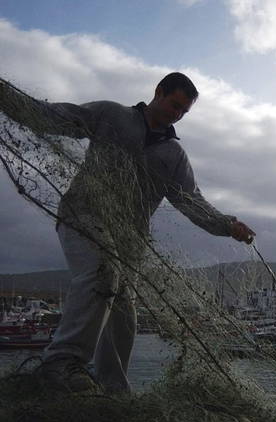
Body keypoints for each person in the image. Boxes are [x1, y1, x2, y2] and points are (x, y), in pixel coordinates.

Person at [1, 73, 255, 393]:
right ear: (158, 92)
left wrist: (227, 225)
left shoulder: (174, 156)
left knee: (123, 314)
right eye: (174, 105)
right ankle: (62, 362)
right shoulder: (111, 115)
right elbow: (53, 118)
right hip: (83, 216)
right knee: (102, 272)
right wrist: (7, 97)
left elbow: (192, 203)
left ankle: (114, 391)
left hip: (129, 240)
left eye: (183, 112)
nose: (177, 114)